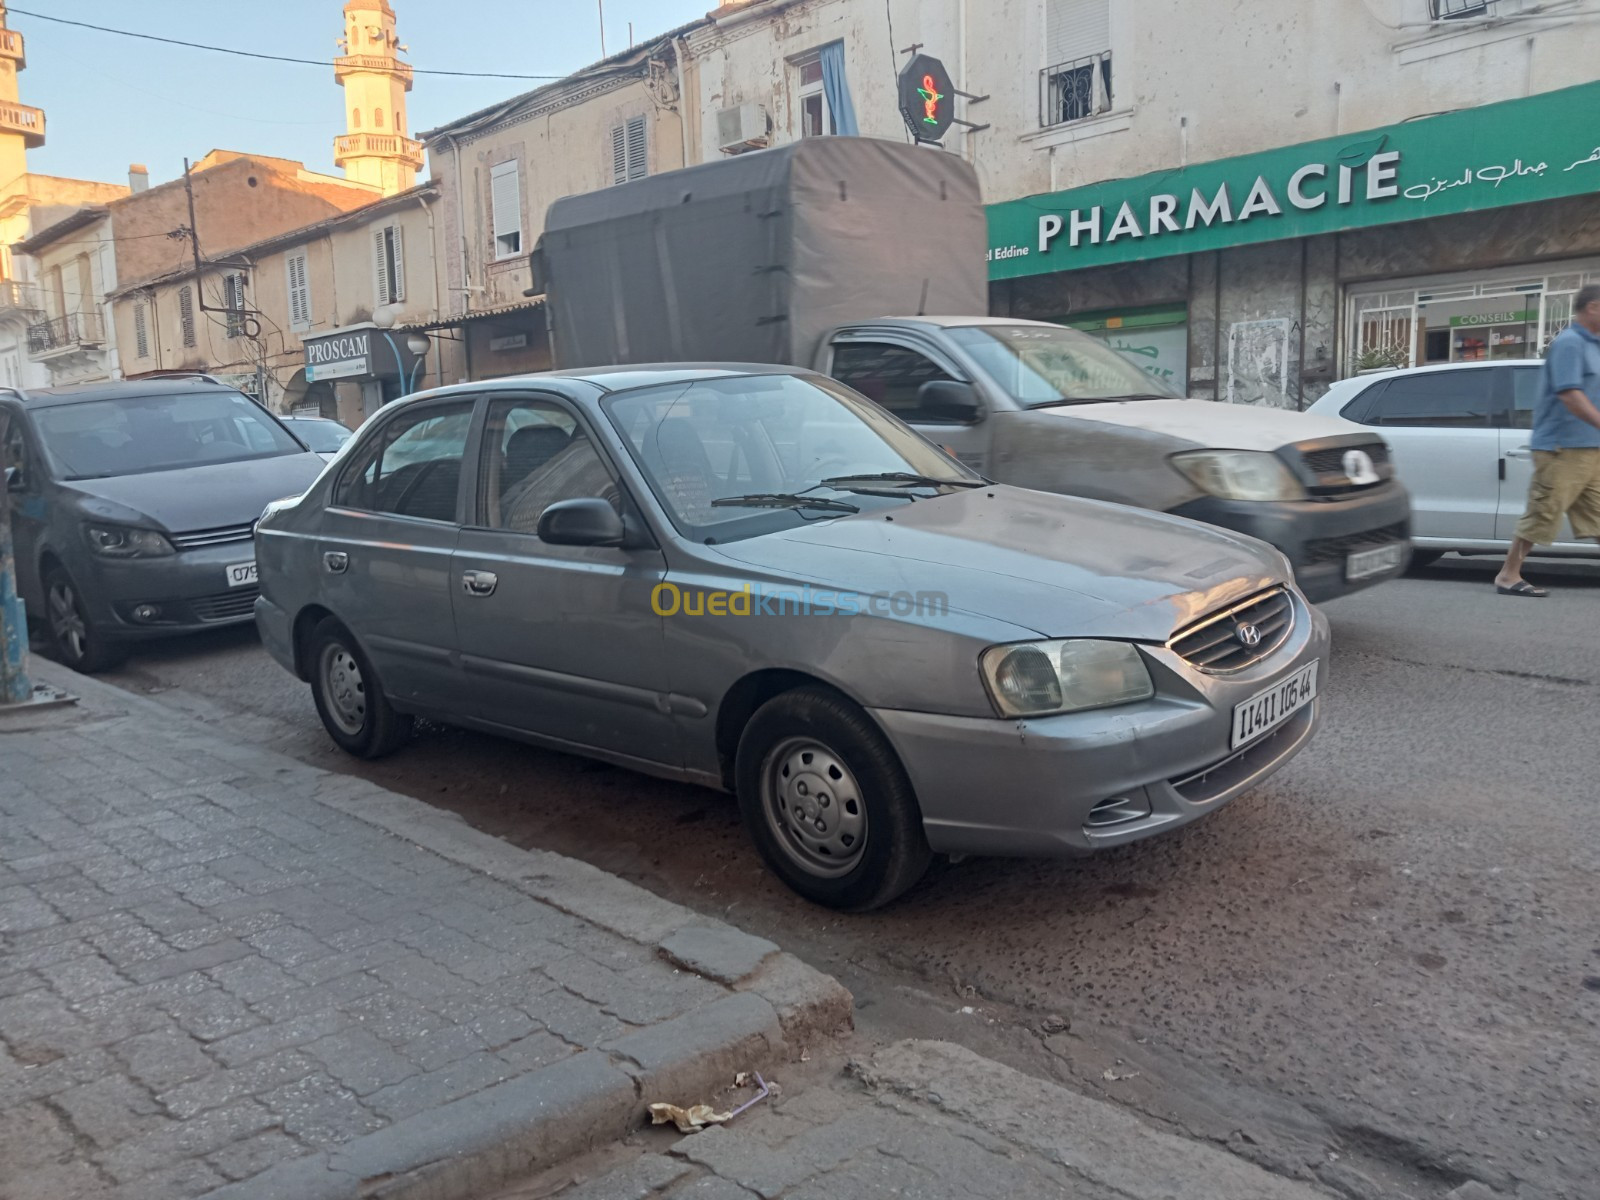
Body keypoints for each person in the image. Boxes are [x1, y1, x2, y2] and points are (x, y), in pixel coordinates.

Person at [1494, 284, 1600, 597]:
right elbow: (1570, 395)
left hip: (1588, 447)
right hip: (1561, 447)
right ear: (1593, 308)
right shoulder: (1569, 343)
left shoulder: (1595, 345)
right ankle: (1508, 575)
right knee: (1544, 513)